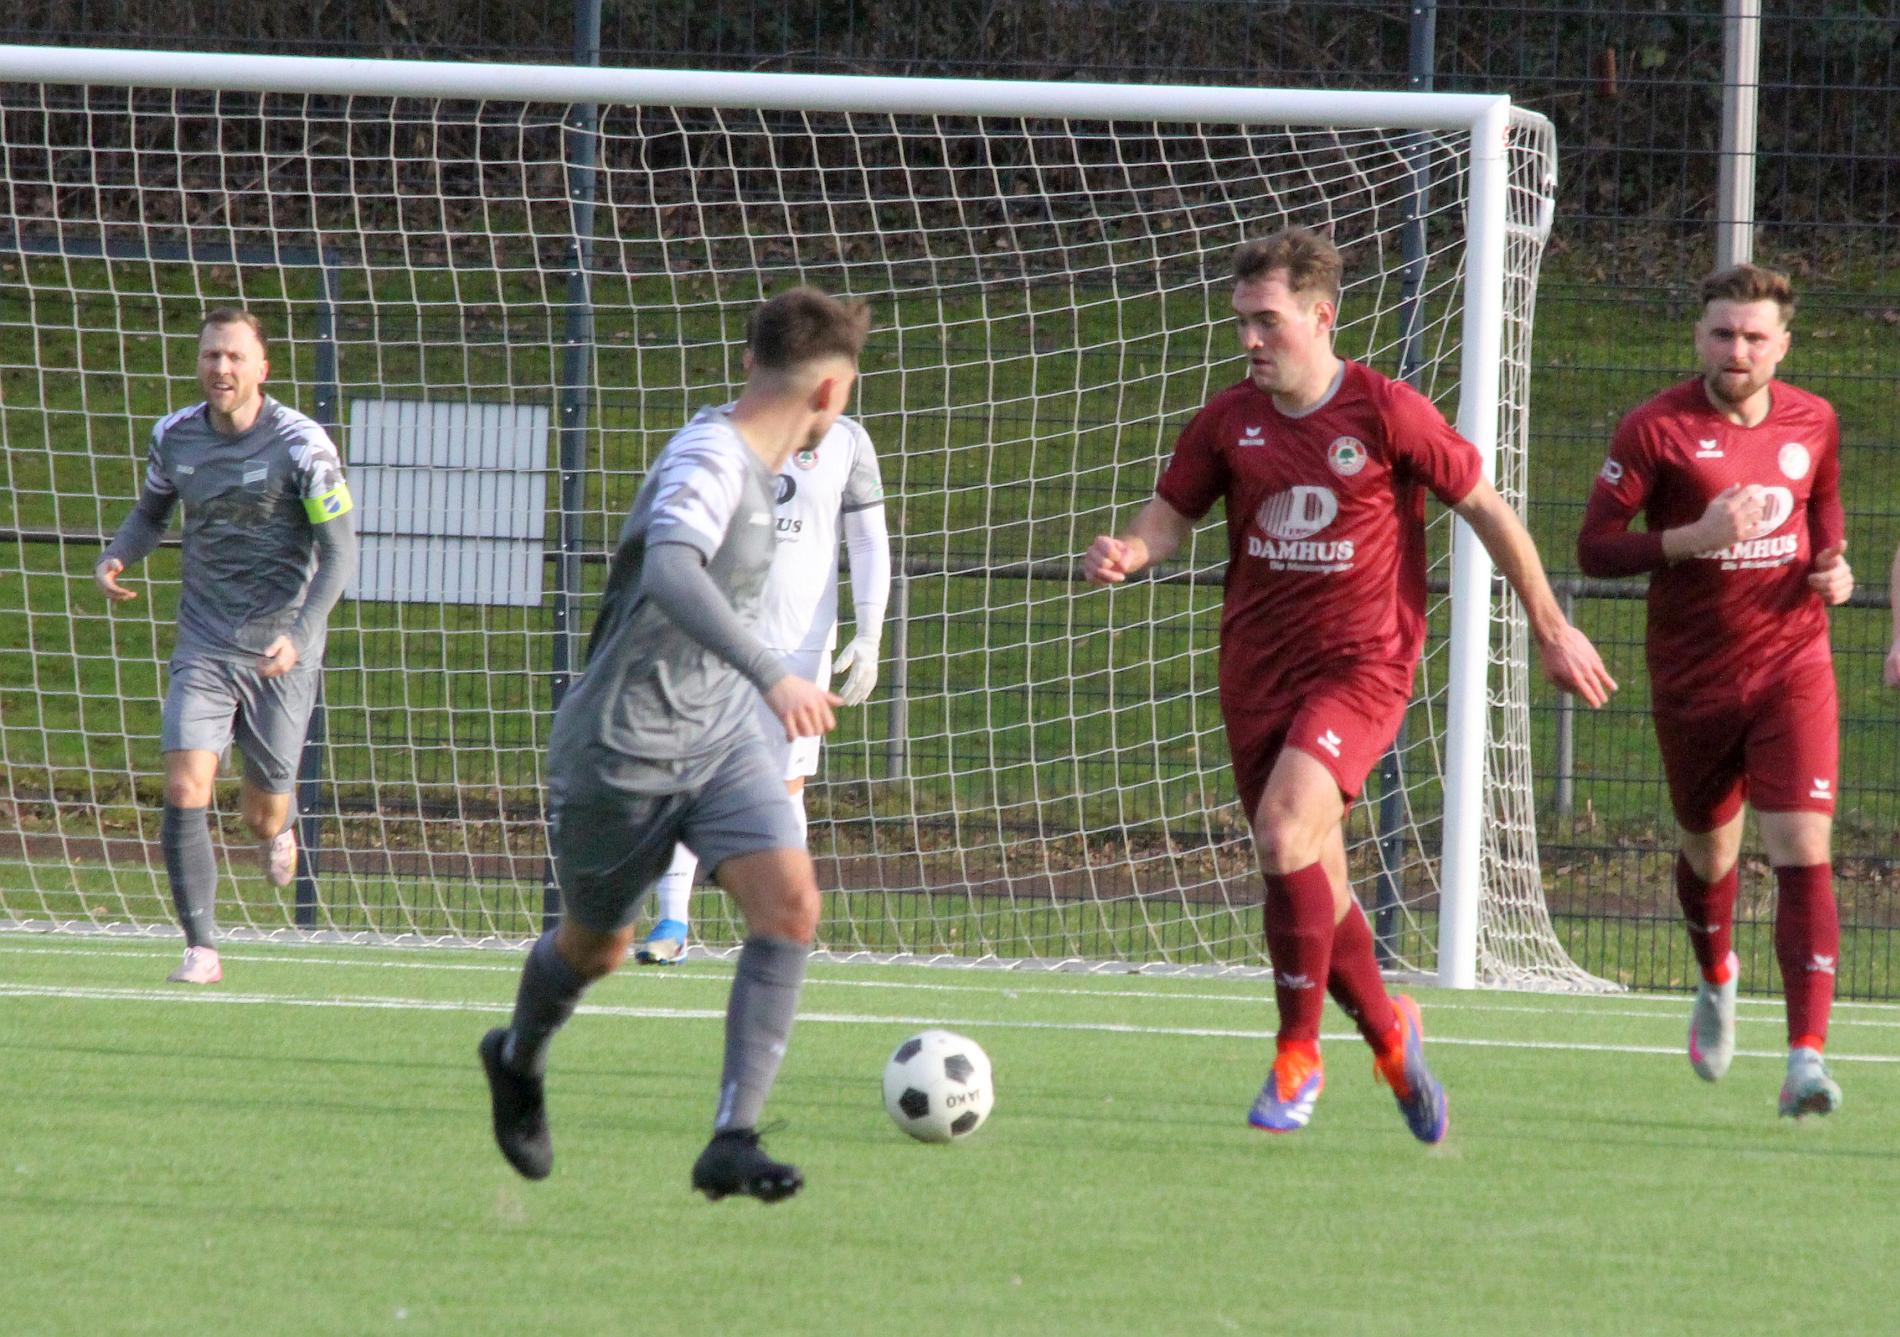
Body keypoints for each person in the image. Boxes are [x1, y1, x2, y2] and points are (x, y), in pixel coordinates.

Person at [1083, 227, 1615, 1143]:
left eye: (1267, 321)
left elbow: (1487, 509)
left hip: (1362, 667)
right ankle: (1391, 1038)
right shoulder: (1229, 421)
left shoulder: (1387, 411)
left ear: (1322, 316)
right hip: (1257, 672)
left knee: (1283, 829)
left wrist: (1551, 625)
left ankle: (1298, 1056)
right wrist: (1132, 548)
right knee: (1311, 876)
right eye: (1241, 321)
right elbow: (1171, 513)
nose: (1250, 339)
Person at [479, 287, 868, 1202]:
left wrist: (750, 686)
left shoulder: (759, 460)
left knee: (791, 906)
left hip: (721, 737)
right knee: (596, 948)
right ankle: (517, 1054)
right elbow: (669, 567)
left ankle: (732, 1136)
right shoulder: (710, 456)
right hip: (623, 746)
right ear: (829, 393)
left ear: (750, 363)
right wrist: (771, 672)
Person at [1577, 262, 1853, 1119]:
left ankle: (1805, 1058)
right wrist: (1691, 536)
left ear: (1782, 346)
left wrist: (1833, 567)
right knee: (1709, 852)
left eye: (1755, 336)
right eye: (1724, 333)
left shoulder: (1815, 419)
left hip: (1793, 665)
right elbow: (1594, 548)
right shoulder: (1654, 428)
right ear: (1699, 337)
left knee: (1802, 845)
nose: (1738, 349)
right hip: (1694, 676)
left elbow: (1824, 508)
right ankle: (1716, 972)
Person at [95, 309, 357, 986]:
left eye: (236, 356)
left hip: (279, 649)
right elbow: (151, 513)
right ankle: (201, 947)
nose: (222, 367)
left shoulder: (302, 444)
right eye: (211, 355)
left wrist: (299, 635)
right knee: (185, 784)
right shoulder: (174, 436)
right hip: (205, 641)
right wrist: (118, 554)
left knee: (260, 814)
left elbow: (339, 554)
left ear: (262, 368)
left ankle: (280, 828)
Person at [634, 411, 891, 964]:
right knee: (687, 774)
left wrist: (870, 633)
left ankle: (783, 927)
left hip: (799, 644)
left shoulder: (848, 441)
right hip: (714, 632)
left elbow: (869, 540)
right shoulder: (716, 428)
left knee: (785, 785)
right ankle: (672, 922)